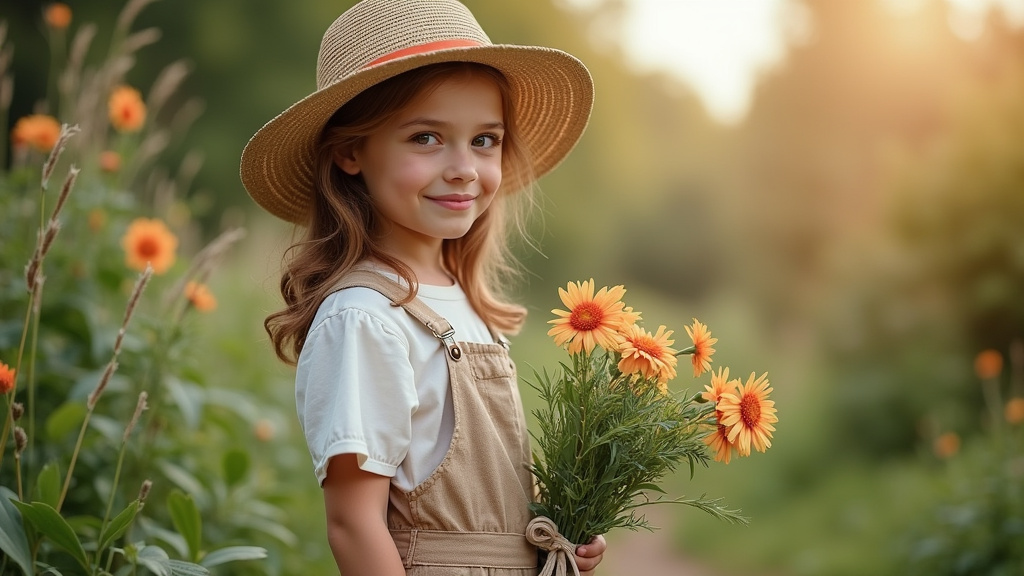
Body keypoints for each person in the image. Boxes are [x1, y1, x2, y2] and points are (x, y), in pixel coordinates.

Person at [239, 0, 605, 573]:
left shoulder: (462, 302)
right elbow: (353, 524)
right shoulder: (365, 317)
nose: (464, 167)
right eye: (427, 137)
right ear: (350, 151)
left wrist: (548, 542)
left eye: (484, 140)